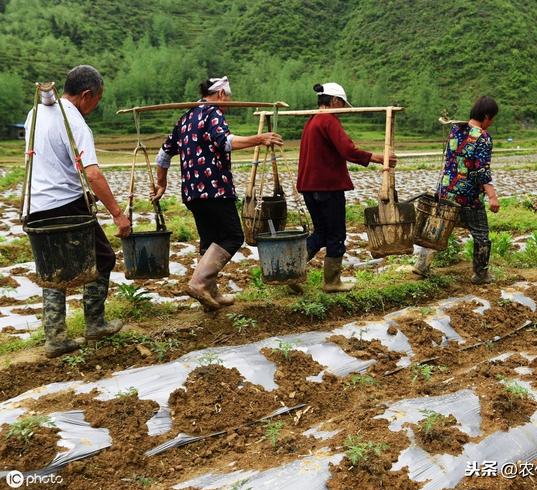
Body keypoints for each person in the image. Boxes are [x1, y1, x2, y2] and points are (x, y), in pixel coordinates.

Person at [24, 65, 132, 358]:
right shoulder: (74, 122)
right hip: (66, 203)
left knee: (52, 268)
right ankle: (95, 323)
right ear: (87, 95)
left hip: (35, 205)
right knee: (104, 258)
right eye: (97, 99)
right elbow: (93, 173)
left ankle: (56, 338)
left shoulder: (35, 113)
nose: (95, 106)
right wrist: (118, 213)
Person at [153, 76, 282, 310]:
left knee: (209, 240)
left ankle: (210, 293)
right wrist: (259, 139)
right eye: (228, 97)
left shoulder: (185, 118)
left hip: (192, 192)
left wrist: (161, 183)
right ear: (221, 93)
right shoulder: (213, 113)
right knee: (233, 237)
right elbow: (225, 141)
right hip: (215, 189)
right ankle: (199, 282)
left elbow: (163, 154)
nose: (229, 101)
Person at [297, 82, 395, 293]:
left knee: (321, 232)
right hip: (327, 187)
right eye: (341, 103)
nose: (342, 108)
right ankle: (332, 281)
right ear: (334, 101)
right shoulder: (328, 120)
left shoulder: (312, 120)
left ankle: (291, 271)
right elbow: (347, 149)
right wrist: (377, 157)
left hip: (309, 186)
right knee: (336, 234)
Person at [437, 96, 500, 284]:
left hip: (447, 190)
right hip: (469, 196)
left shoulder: (455, 130)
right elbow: (482, 170)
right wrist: (492, 196)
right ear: (487, 116)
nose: (492, 122)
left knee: (440, 228)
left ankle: (421, 266)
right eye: (492, 118)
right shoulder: (482, 136)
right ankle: (481, 274)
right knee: (481, 234)